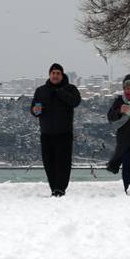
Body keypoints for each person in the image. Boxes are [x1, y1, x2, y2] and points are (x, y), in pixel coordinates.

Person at [30, 63, 82, 197]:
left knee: (63, 162)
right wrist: (35, 111)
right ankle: (53, 188)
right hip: (46, 132)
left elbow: (75, 102)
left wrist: (60, 92)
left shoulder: (70, 88)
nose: (55, 76)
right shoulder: (40, 90)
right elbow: (34, 108)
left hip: (64, 132)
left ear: (62, 75)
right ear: (49, 74)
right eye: (53, 73)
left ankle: (60, 188)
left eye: (58, 73)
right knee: (49, 163)